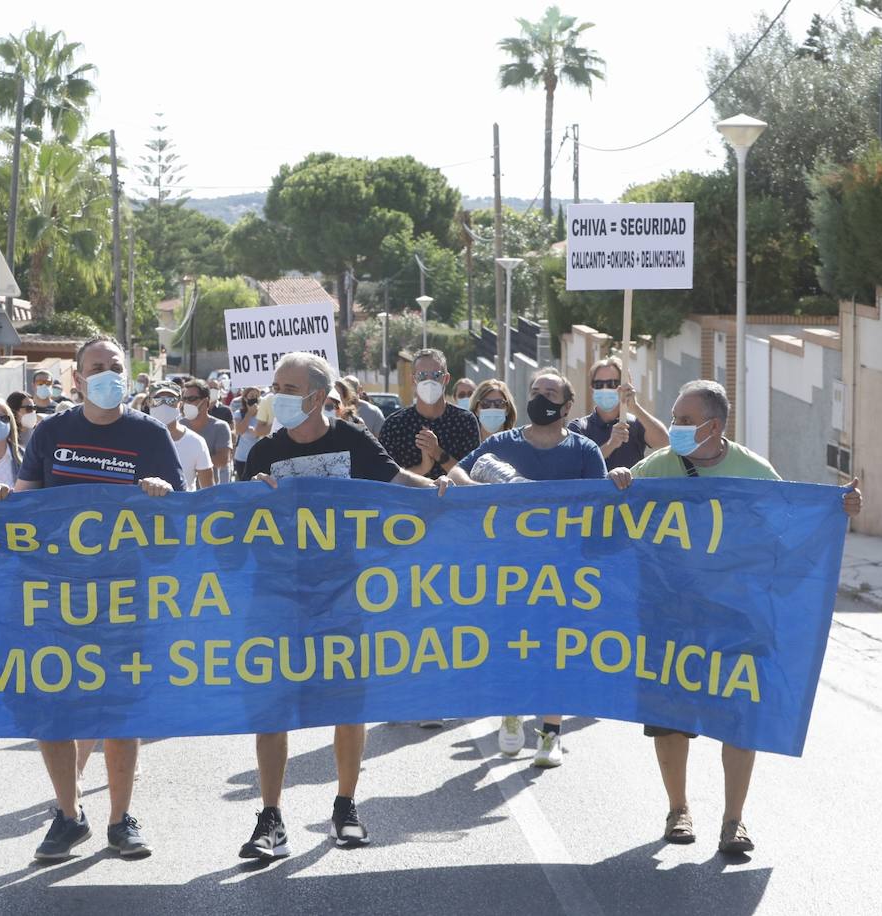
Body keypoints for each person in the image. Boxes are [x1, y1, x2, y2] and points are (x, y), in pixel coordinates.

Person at [607, 379, 863, 855]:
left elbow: (790, 525)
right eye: (676, 417)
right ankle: (678, 809)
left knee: (738, 716)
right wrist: (620, 485)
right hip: (671, 614)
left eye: (684, 421)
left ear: (715, 425)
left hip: (737, 616)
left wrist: (838, 509)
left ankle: (734, 821)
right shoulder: (657, 467)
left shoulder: (753, 469)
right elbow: (613, 521)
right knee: (668, 717)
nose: (675, 427)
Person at [237, 351, 452, 860]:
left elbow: (398, 482)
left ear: (316, 396)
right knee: (273, 707)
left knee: (347, 702)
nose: (277, 395)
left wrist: (441, 491)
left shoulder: (353, 441)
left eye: (287, 388)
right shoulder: (263, 452)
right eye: (275, 385)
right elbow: (238, 531)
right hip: (279, 595)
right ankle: (270, 818)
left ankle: (346, 805)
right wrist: (250, 500)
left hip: (343, 596)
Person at [0, 336, 182, 862]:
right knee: (56, 708)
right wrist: (3, 501)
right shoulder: (52, 432)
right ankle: (68, 816)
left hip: (124, 596)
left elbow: (186, 516)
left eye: (115, 367)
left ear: (128, 373)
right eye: (96, 367)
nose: (107, 374)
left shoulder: (151, 436)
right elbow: (26, 503)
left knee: (119, 710)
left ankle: (121, 820)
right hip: (58, 594)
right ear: (76, 378)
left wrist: (162, 495)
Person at [447, 367, 606, 767]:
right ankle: (512, 713)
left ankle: (550, 734)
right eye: (535, 391)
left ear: (567, 406)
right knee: (511, 643)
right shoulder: (503, 444)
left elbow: (602, 506)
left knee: (556, 651)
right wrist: (474, 489)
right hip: (508, 568)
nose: (541, 398)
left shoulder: (585, 452)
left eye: (550, 393)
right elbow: (457, 470)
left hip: (563, 571)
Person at [377, 349, 481, 480]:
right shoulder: (394, 425)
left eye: (436, 375)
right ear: (413, 380)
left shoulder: (464, 421)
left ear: (446, 378)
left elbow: (472, 476)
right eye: (422, 376)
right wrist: (423, 468)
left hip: (453, 500)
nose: (429, 381)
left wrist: (437, 452)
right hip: (411, 500)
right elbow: (386, 479)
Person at [568, 356, 670, 469]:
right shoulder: (579, 428)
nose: (605, 389)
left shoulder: (635, 424)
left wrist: (635, 407)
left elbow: (665, 442)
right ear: (592, 388)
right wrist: (611, 445)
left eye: (612, 384)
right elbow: (577, 466)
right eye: (599, 384)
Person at [149, 381, 215, 490]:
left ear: (180, 404)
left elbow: (208, 491)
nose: (164, 404)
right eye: (158, 400)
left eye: (171, 400)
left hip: (183, 506)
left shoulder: (196, 442)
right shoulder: (137, 437)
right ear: (149, 402)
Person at [180, 378, 233, 484]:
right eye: (184, 399)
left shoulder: (220, 427)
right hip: (184, 493)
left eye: (191, 399)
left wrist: (193, 461)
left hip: (209, 493)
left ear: (206, 402)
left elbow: (223, 460)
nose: (186, 403)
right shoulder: (179, 425)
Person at [232, 386, 262, 481]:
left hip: (258, 456)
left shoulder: (262, 413)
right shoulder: (239, 413)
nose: (254, 398)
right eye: (252, 395)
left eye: (257, 396)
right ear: (245, 398)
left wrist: (254, 430)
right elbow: (239, 430)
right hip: (242, 457)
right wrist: (249, 413)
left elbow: (262, 432)